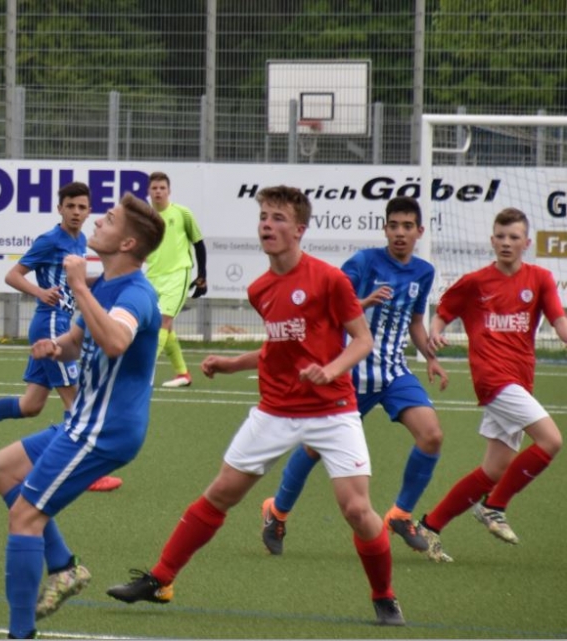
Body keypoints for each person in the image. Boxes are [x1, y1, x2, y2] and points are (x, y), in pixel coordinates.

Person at [107, 185, 406, 627]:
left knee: (358, 511)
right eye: (264, 216)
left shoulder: (329, 279)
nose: (267, 224)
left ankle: (384, 596)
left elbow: (362, 341)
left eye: (278, 218)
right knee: (221, 492)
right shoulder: (260, 288)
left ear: (299, 229)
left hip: (333, 410)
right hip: (275, 411)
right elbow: (279, 347)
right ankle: (161, 579)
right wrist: (234, 364)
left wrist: (330, 370)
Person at [0, 193, 165, 639]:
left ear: (127, 243)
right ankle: (64, 566)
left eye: (109, 219)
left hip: (105, 430)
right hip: (84, 420)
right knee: (4, 468)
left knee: (25, 518)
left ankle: (20, 633)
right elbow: (77, 340)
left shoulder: (136, 294)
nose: (98, 221)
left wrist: (80, 288)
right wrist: (56, 347)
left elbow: (116, 341)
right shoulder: (104, 283)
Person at [260, 196, 447, 556]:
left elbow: (415, 322)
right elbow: (326, 305)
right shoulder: (363, 262)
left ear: (419, 231)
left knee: (432, 436)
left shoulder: (423, 272)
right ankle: (277, 512)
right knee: (313, 448)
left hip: (393, 372)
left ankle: (400, 514)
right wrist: (364, 302)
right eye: (394, 225)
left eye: (408, 226)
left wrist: (430, 356)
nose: (400, 233)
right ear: (385, 229)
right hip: (350, 372)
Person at [0, 181, 122, 492]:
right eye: (70, 206)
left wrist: (106, 280)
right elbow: (13, 275)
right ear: (59, 209)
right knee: (76, 402)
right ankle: (86, 473)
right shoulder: (50, 240)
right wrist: (40, 292)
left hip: (60, 323)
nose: (76, 212)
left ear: (89, 211)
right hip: (51, 325)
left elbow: (74, 281)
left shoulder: (81, 239)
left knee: (31, 405)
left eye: (82, 207)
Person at [417, 207, 566, 562]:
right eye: (500, 236)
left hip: (520, 381)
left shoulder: (540, 279)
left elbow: (559, 322)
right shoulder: (475, 282)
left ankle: (430, 526)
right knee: (551, 440)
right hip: (493, 380)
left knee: (494, 469)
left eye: (514, 237)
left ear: (526, 243)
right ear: (492, 240)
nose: (506, 242)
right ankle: (494, 506)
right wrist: (435, 333)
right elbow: (442, 313)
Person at [145, 171, 207, 388]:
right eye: (154, 188)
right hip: (153, 276)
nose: (158, 192)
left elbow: (199, 243)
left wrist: (202, 275)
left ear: (169, 191)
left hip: (178, 274)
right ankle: (183, 373)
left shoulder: (182, 213)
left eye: (162, 188)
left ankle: (144, 371)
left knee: (162, 321)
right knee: (163, 325)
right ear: (149, 191)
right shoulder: (145, 217)